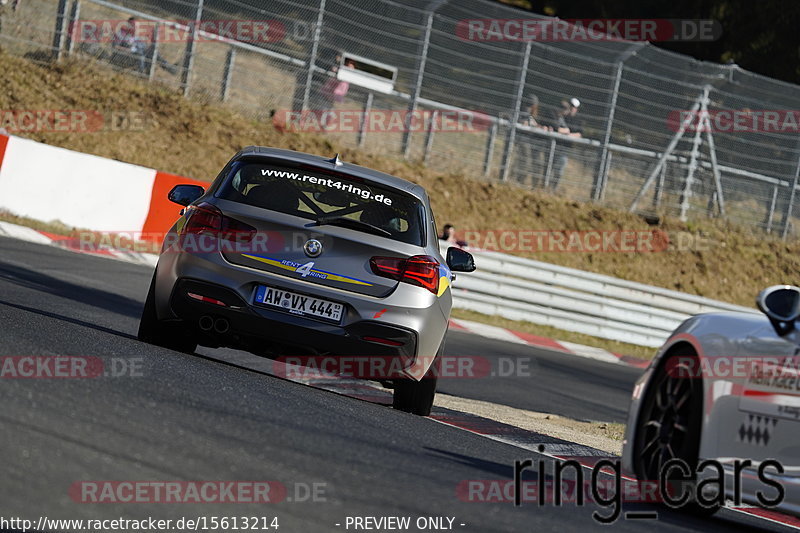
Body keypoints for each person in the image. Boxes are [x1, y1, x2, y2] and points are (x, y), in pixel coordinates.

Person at [515, 94, 551, 187]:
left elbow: (531, 123)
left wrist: (540, 127)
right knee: (525, 163)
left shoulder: (528, 113)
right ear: (534, 105)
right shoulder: (525, 111)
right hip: (523, 140)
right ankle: (519, 182)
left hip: (527, 141)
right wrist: (537, 126)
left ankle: (519, 181)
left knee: (524, 162)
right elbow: (523, 122)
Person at [549, 97, 583, 190]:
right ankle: (545, 186)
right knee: (549, 167)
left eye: (574, 107)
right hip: (555, 145)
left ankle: (553, 188)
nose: (572, 108)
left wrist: (569, 134)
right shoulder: (563, 116)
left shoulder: (578, 120)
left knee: (559, 170)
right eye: (571, 106)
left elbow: (580, 133)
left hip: (565, 148)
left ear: (577, 108)